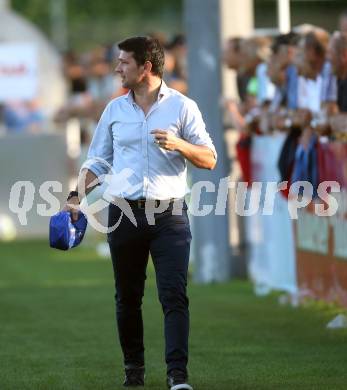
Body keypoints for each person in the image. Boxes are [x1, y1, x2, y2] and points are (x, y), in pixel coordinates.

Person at [63, 36, 216, 389]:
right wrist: (75, 197)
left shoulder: (182, 107)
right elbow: (98, 161)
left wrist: (179, 144)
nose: (117, 68)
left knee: (173, 294)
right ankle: (134, 371)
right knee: (127, 298)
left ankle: (177, 375)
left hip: (170, 215)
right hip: (124, 214)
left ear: (146, 66)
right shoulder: (115, 109)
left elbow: (209, 158)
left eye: (123, 62)